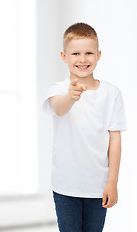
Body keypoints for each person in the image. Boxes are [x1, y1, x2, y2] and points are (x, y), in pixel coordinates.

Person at [42, 22, 127, 232]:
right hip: (65, 185)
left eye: (89, 53)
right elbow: (59, 108)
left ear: (98, 55)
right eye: (75, 53)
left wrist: (112, 182)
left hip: (98, 187)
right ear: (64, 56)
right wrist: (70, 97)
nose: (82, 59)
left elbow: (115, 139)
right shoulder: (59, 89)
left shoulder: (112, 93)